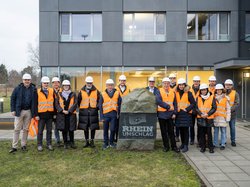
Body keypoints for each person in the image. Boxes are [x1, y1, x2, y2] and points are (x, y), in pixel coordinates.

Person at [9, 73, 38, 153]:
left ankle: (23, 145)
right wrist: (13, 110)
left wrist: (35, 113)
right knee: (17, 129)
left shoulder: (33, 89)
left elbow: (35, 102)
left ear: (30, 80)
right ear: (23, 80)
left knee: (26, 129)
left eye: (28, 80)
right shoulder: (17, 88)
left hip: (29, 111)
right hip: (19, 111)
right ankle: (14, 146)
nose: (27, 81)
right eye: (25, 80)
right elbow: (12, 99)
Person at [156, 77, 180, 153]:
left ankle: (174, 147)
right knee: (163, 132)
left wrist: (175, 113)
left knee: (171, 132)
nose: (166, 85)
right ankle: (166, 146)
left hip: (170, 115)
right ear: (162, 84)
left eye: (167, 83)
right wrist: (168, 106)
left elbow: (175, 103)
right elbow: (158, 101)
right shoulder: (158, 91)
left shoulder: (173, 92)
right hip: (162, 114)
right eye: (165, 83)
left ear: (169, 84)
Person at [78, 76, 100, 148]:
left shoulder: (96, 91)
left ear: (92, 83)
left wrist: (97, 108)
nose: (89, 84)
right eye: (88, 83)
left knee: (93, 127)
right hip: (84, 112)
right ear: (86, 83)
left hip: (93, 112)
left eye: (90, 83)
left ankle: (92, 141)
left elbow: (99, 101)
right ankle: (87, 141)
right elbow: (78, 101)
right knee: (85, 127)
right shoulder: (81, 91)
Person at [99, 79, 122, 150]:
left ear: (113, 86)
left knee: (112, 129)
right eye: (108, 85)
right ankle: (106, 143)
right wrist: (101, 116)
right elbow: (100, 105)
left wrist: (118, 113)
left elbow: (120, 104)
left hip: (113, 114)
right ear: (106, 86)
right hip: (105, 114)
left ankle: (111, 143)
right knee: (105, 130)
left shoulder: (117, 93)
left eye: (111, 85)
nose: (110, 86)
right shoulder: (102, 94)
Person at [55, 80, 77, 149]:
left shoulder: (73, 94)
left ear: (69, 86)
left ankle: (72, 142)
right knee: (64, 129)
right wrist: (62, 110)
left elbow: (75, 104)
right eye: (65, 85)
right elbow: (56, 104)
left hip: (71, 114)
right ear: (63, 86)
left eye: (67, 85)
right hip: (62, 114)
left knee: (71, 129)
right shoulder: (59, 94)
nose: (66, 87)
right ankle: (65, 143)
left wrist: (69, 111)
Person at [175, 78, 195, 152]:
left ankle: (186, 145)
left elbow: (193, 103)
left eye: (182, 85)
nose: (181, 86)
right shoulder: (176, 93)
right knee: (180, 130)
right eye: (180, 85)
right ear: (178, 85)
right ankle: (182, 144)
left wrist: (187, 109)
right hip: (179, 114)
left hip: (186, 114)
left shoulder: (189, 93)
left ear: (185, 85)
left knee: (186, 130)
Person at [196, 83, 217, 153]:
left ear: (207, 90)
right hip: (201, 118)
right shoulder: (198, 98)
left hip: (209, 118)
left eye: (204, 90)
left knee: (209, 133)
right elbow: (196, 108)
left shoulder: (211, 97)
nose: (203, 91)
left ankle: (211, 147)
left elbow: (214, 108)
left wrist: (207, 114)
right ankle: (203, 147)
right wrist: (201, 114)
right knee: (201, 134)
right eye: (202, 90)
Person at [36, 76, 54, 151]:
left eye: (47, 83)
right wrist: (36, 114)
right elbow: (35, 104)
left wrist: (54, 114)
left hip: (49, 114)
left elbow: (54, 102)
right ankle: (39, 144)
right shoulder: (37, 91)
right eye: (44, 83)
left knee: (49, 131)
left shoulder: (52, 91)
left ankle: (49, 144)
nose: (46, 84)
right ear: (42, 83)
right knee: (40, 131)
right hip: (41, 115)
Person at [213, 84, 231, 150]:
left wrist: (228, 118)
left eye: (220, 90)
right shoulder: (213, 98)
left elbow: (228, 109)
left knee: (223, 132)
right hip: (216, 118)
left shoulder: (226, 98)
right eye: (217, 90)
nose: (219, 91)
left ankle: (223, 144)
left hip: (223, 118)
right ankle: (215, 143)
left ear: (222, 90)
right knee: (215, 132)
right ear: (216, 90)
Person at [115, 75, 130, 142]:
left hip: (126, 109)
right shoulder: (115, 88)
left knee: (125, 123)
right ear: (119, 81)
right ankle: (117, 138)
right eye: (121, 80)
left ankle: (124, 137)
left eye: (124, 80)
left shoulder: (128, 89)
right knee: (117, 124)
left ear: (125, 81)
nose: (122, 82)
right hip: (117, 108)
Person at [225, 79, 240, 147]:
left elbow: (236, 103)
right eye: (226, 85)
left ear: (232, 86)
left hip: (232, 113)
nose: (227, 86)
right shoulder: (222, 93)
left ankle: (233, 141)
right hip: (224, 114)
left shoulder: (235, 93)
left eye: (229, 85)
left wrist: (230, 110)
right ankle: (224, 141)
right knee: (223, 128)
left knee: (232, 127)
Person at [189, 76, 201, 145]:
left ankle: (199, 140)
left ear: (199, 82)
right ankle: (192, 139)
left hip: (199, 110)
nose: (196, 82)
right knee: (191, 126)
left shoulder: (202, 89)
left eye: (197, 81)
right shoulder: (190, 90)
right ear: (193, 82)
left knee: (199, 126)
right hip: (192, 110)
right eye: (195, 81)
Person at [51, 77, 62, 147]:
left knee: (64, 126)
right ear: (52, 84)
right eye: (54, 83)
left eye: (57, 82)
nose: (56, 84)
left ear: (59, 83)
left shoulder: (62, 91)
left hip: (62, 112)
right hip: (54, 113)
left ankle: (66, 140)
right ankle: (57, 140)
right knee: (56, 127)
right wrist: (53, 114)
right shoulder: (50, 92)